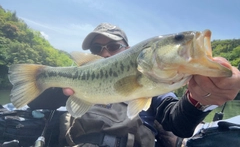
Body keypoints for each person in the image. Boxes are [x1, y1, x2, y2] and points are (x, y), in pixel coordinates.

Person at [28, 23, 240, 147]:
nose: (105, 53)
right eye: (96, 49)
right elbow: (33, 104)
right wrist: (57, 87)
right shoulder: (74, 85)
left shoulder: (155, 87)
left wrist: (201, 99)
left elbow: (177, 123)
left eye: (113, 46)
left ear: (129, 50)